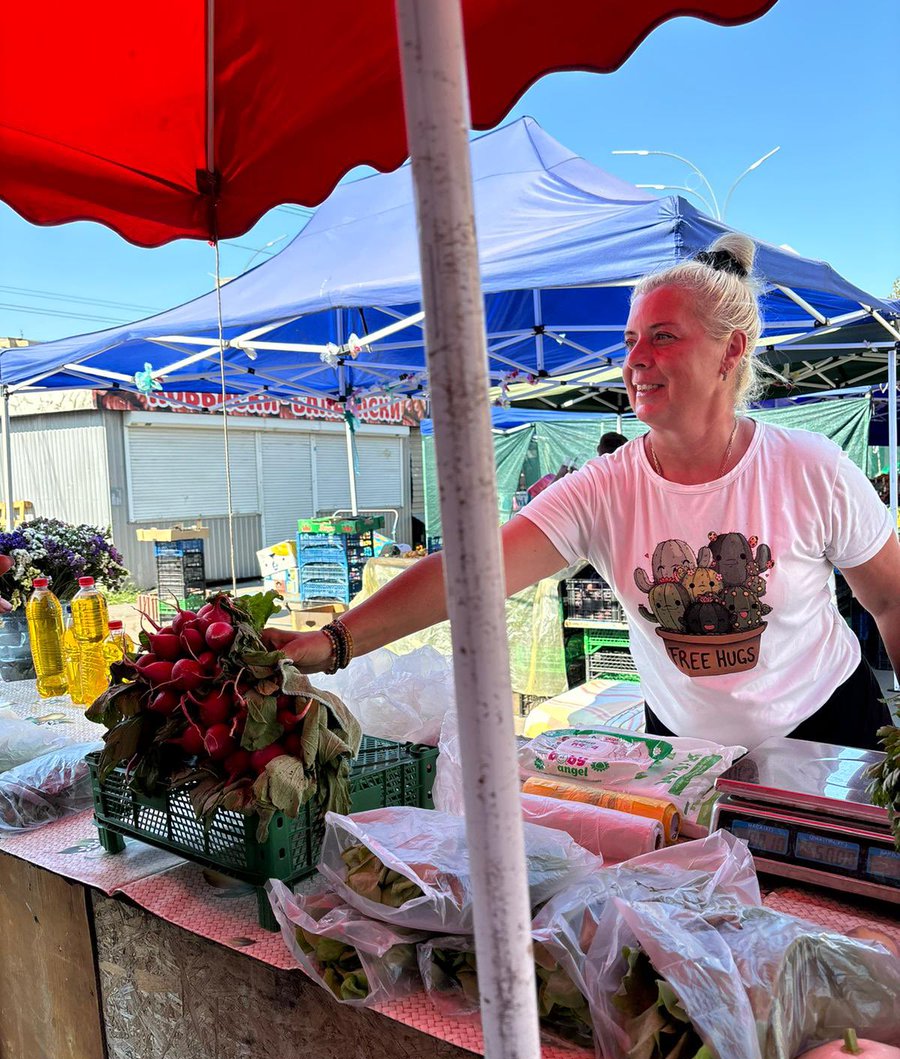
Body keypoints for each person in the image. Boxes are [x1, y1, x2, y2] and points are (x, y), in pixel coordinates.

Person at [265, 233, 900, 751]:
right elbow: (472, 572)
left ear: (730, 350)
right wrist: (336, 641)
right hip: (685, 750)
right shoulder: (604, 487)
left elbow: (892, 601)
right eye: (630, 340)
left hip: (829, 733)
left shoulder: (808, 468)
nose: (636, 359)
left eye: (664, 336)